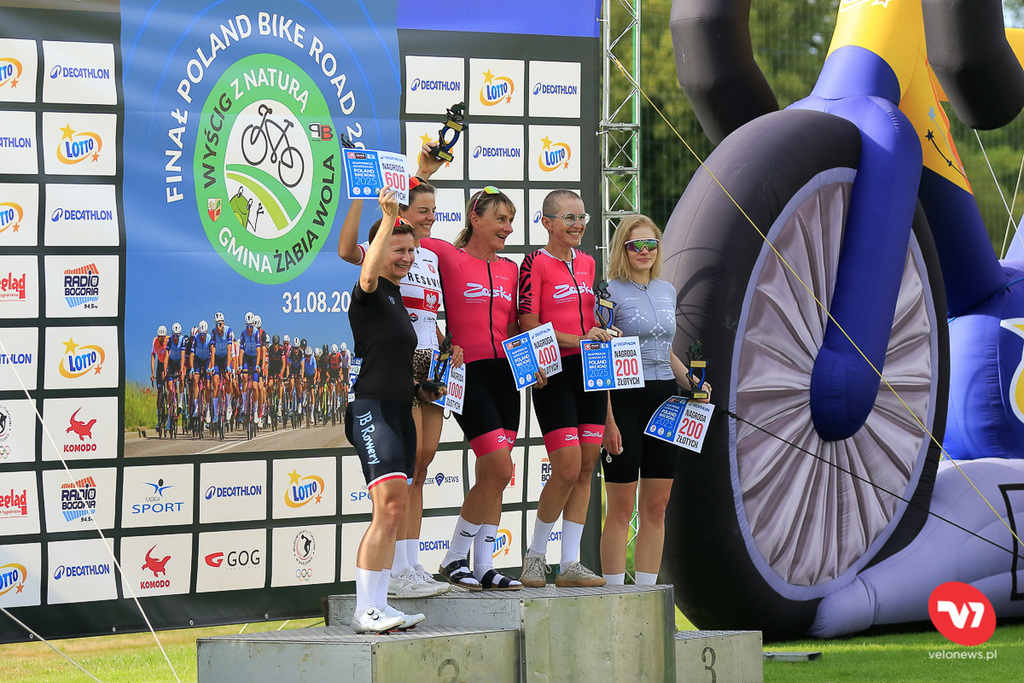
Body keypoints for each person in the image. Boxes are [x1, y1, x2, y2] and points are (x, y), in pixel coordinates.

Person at [338, 174, 457, 598]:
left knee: (410, 484)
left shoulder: (412, 278)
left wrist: (435, 367)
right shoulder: (372, 286)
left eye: (410, 251)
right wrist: (385, 215)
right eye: (398, 250)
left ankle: (401, 574)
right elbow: (358, 261)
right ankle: (373, 599)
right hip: (376, 400)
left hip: (411, 386)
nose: (407, 256)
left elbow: (422, 324)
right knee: (389, 503)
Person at [421, 185, 533, 591]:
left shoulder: (511, 269)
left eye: (511, 220)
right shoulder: (449, 256)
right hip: (468, 373)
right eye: (501, 219)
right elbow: (404, 226)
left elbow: (515, 326)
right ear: (475, 218)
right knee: (500, 468)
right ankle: (454, 557)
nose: (509, 227)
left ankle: (484, 565)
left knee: (495, 474)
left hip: (507, 375)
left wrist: (534, 361)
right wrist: (420, 177)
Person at [599, 215, 711, 585]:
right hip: (625, 400)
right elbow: (600, 359)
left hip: (666, 401)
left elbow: (666, 352)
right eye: (636, 245)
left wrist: (693, 382)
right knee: (620, 509)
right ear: (623, 249)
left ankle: (645, 595)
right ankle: (614, 597)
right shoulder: (609, 292)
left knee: (657, 506)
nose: (645, 252)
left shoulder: (667, 290)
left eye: (651, 244)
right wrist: (608, 420)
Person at [518, 189, 611, 588]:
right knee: (567, 467)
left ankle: (569, 563)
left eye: (582, 218)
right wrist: (579, 339)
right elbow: (528, 322)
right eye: (569, 218)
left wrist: (601, 333)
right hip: (553, 371)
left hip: (591, 371)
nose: (578, 225)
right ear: (547, 223)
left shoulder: (588, 263)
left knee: (587, 466)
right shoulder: (534, 262)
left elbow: (595, 317)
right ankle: (535, 556)